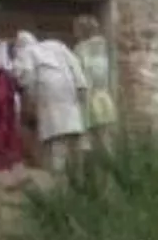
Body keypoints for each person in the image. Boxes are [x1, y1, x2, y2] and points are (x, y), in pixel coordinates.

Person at [12, 32, 87, 173]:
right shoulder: (57, 45)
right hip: (70, 98)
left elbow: (25, 76)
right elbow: (76, 66)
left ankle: (59, 181)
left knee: (56, 143)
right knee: (74, 141)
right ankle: (79, 181)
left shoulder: (27, 52)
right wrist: (81, 87)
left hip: (50, 101)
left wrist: (30, 96)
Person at [73, 14, 118, 151]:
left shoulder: (81, 48)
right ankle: (109, 168)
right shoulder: (104, 46)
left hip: (89, 96)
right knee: (105, 137)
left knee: (90, 137)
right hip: (104, 96)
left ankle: (93, 169)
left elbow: (80, 72)